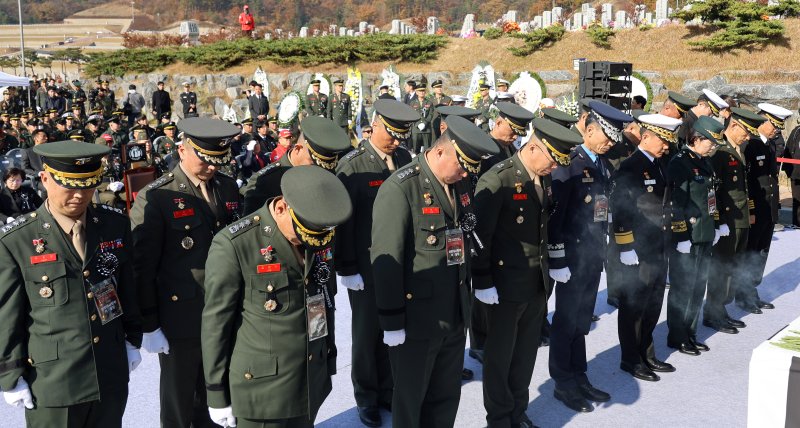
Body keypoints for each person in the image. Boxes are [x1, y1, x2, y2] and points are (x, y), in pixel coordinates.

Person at [0, 140, 142, 427]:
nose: (79, 195)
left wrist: (131, 339)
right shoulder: (17, 240)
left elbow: (126, 285)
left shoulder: (113, 225)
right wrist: (9, 373)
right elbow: (7, 315)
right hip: (54, 381)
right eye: (69, 185)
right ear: (44, 178)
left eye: (88, 185)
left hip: (109, 373)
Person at [371, 116, 499, 428]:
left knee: (445, 399)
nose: (465, 172)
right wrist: (391, 321)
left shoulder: (461, 181)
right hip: (417, 321)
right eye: (462, 164)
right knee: (411, 401)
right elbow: (387, 260)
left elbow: (467, 233)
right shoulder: (400, 189)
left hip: (455, 313)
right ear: (440, 152)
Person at [202, 165, 351, 428]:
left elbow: (323, 298)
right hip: (263, 395)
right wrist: (216, 392)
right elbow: (216, 324)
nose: (306, 242)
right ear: (281, 207)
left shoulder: (315, 230)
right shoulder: (236, 244)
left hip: (309, 381)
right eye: (302, 233)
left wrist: (327, 360)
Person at [130, 118, 243, 428]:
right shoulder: (156, 198)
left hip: (225, 309)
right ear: (182, 150)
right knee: (179, 400)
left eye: (216, 160)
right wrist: (149, 323)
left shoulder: (227, 186)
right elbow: (142, 267)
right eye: (204, 158)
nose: (210, 166)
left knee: (217, 394)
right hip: (180, 314)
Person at [472, 118, 581, 428]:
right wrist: (482, 281)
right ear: (534, 147)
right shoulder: (498, 180)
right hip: (504, 288)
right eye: (552, 160)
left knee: (524, 357)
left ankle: (518, 411)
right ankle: (499, 418)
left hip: (536, 284)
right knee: (499, 358)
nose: (554, 168)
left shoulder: (543, 176)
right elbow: (481, 237)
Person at [334, 100, 419, 427]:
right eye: (392, 134)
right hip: (366, 266)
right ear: (374, 126)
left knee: (394, 327)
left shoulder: (400, 158)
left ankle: (388, 389)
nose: (396, 141)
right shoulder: (352, 165)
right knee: (367, 334)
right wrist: (347, 267)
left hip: (399, 262)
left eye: (401, 135)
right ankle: (366, 396)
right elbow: (344, 221)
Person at [548, 101, 631, 412]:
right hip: (571, 257)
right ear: (590, 129)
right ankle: (562, 382)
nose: (609, 143)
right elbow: (554, 217)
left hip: (592, 254)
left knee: (581, 320)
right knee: (566, 320)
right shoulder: (569, 162)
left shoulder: (601, 164)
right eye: (606, 137)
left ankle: (579, 375)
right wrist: (556, 260)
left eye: (612, 140)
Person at [612, 114, 682, 382]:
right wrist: (625, 245)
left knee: (653, 303)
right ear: (647, 136)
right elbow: (620, 209)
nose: (667, 146)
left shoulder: (661, 163)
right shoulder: (630, 167)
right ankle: (630, 359)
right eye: (663, 141)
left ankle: (646, 352)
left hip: (658, 246)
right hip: (638, 249)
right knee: (633, 306)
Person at [703, 108, 766, 334]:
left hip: (739, 218)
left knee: (732, 265)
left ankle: (721, 309)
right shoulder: (720, 151)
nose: (748, 137)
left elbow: (743, 187)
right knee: (721, 267)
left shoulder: (737, 150)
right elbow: (714, 191)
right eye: (746, 132)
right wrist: (718, 220)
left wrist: (748, 211)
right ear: (735, 126)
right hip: (727, 220)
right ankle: (713, 312)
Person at [666, 116, 725, 356]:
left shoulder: (704, 162)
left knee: (698, 286)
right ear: (697, 138)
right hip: (688, 236)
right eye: (709, 142)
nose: (712, 146)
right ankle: (677, 336)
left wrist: (717, 224)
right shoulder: (679, 163)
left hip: (704, 232)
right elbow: (676, 203)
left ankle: (690, 332)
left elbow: (711, 198)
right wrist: (681, 236)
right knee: (683, 287)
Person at [240, 116, 351, 215]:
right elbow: (253, 229)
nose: (318, 169)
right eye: (313, 163)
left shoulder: (327, 173)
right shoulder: (265, 181)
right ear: (297, 149)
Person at [738, 103, 790, 312]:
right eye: (774, 125)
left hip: (768, 209)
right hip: (756, 210)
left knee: (761, 253)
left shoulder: (769, 144)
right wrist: (750, 210)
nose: (777, 129)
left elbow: (771, 179)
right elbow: (747, 182)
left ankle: (752, 291)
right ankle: (743, 294)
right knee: (750, 252)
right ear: (764, 120)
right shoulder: (749, 145)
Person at [409, 83, 434, 153]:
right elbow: (411, 115)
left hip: (426, 129)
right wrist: (417, 124)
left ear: (425, 92)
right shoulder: (412, 103)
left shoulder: (429, 102)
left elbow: (431, 114)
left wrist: (425, 123)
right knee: (415, 149)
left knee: (427, 150)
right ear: (416, 92)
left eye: (423, 91)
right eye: (420, 91)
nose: (422, 92)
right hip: (416, 129)